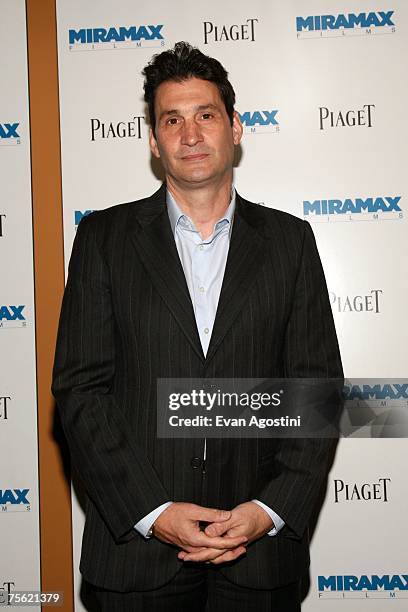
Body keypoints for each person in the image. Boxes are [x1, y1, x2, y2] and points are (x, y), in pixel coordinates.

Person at [52, 41, 343, 611]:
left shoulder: (291, 243)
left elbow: (317, 392)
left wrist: (271, 509)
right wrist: (153, 513)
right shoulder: (103, 241)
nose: (190, 134)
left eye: (205, 115)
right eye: (172, 120)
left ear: (235, 128)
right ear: (154, 142)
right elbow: (80, 390)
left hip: (259, 561)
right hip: (136, 563)